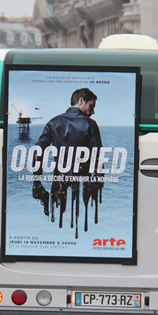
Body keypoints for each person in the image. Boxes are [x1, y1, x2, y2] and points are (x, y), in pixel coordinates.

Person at [31, 87, 104, 236]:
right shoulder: (91, 125)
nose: (93, 112)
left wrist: (37, 183)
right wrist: (99, 181)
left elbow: (38, 152)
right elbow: (98, 156)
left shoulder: (54, 122)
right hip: (84, 181)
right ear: (81, 101)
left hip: (59, 179)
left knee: (57, 219)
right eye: (91, 106)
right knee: (84, 223)